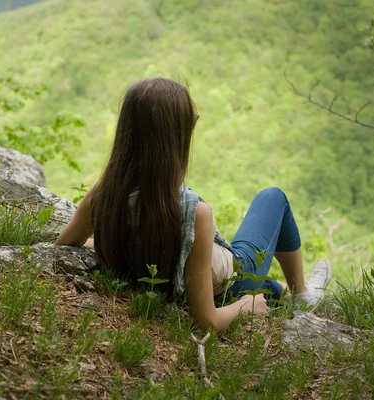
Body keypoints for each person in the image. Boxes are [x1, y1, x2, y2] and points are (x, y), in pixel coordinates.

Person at [55, 78, 331, 332]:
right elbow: (206, 320)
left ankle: (280, 289)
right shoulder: (193, 211)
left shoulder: (103, 195)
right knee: (273, 198)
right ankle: (302, 293)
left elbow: (65, 244)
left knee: (269, 286)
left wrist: (105, 242)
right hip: (227, 280)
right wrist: (247, 306)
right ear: (177, 136)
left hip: (198, 272)